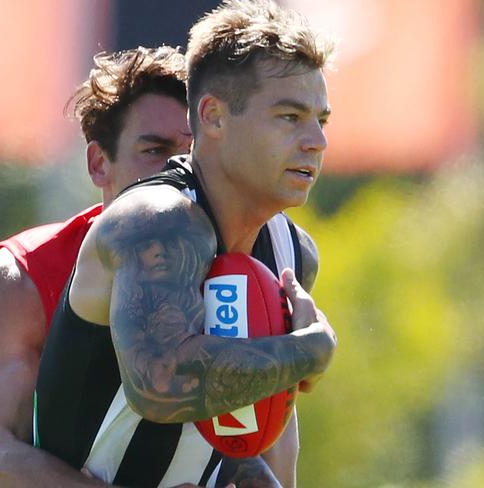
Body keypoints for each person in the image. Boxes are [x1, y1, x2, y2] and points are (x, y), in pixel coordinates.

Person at [0, 43, 315, 487]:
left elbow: (263, 444)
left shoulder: (267, 258)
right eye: (155, 150)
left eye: (192, 152)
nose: (178, 168)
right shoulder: (23, 276)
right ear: (99, 163)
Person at [33, 1, 336, 487]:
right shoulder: (159, 221)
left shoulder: (291, 253)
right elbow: (162, 384)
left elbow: (237, 426)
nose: (316, 140)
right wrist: (308, 351)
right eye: (289, 116)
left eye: (321, 118)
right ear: (213, 117)